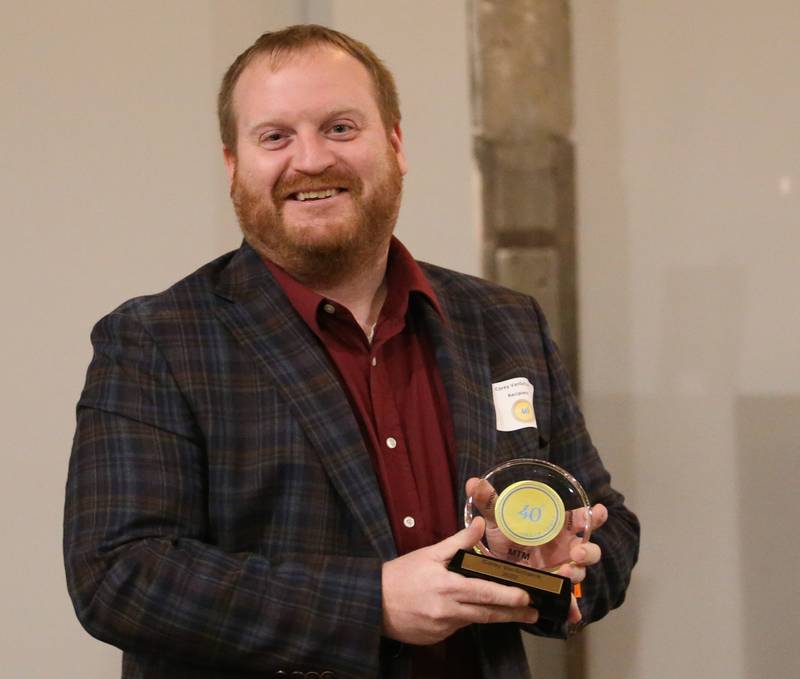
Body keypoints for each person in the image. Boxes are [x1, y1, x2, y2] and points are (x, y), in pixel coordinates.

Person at [63, 24, 639, 679]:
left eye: (340, 127)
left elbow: (607, 526)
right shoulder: (156, 340)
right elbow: (118, 574)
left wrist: (545, 566)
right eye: (275, 136)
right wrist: (373, 604)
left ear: (395, 144)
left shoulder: (506, 321)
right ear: (233, 165)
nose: (310, 160)